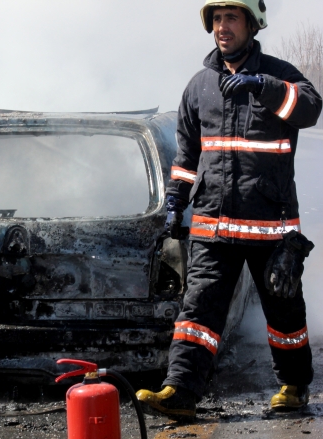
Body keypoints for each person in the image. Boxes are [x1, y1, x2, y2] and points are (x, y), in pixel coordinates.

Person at [136, 0, 321, 418]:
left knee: (284, 312)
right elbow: (186, 157)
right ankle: (179, 391)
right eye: (217, 19)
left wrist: (262, 86)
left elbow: (310, 108)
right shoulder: (199, 86)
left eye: (231, 18)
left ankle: (293, 387)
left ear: (252, 25)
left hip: (270, 229)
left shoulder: (279, 74)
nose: (223, 27)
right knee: (197, 312)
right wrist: (174, 205)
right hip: (213, 227)